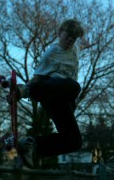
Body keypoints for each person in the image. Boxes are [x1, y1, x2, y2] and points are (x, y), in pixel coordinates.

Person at [17, 19, 91, 168]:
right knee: (75, 87)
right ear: (59, 34)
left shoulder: (75, 49)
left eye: (73, 38)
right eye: (67, 36)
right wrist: (22, 91)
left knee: (74, 141)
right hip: (49, 92)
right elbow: (37, 77)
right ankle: (26, 90)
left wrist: (85, 43)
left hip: (64, 100)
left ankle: (31, 145)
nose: (70, 40)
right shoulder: (51, 53)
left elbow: (81, 46)